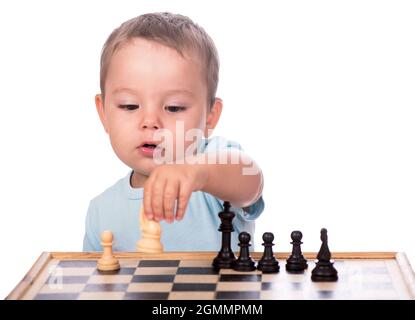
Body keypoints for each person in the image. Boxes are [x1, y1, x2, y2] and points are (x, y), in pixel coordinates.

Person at [83, 12, 265, 252]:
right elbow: (96, 286)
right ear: (103, 113)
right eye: (129, 105)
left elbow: (251, 183)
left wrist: (199, 172)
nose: (150, 122)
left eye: (174, 107)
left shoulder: (215, 162)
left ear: (211, 115)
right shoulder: (101, 211)